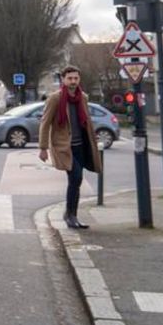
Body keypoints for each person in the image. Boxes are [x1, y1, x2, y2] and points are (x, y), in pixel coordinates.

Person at [39, 66, 103, 229]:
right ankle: (70, 215)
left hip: (81, 145)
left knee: (77, 179)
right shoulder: (55, 98)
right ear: (63, 79)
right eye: (70, 78)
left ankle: (71, 214)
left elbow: (86, 120)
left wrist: (92, 137)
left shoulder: (83, 98)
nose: (73, 81)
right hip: (63, 146)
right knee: (75, 177)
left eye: (76, 78)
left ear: (79, 79)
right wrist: (43, 147)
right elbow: (45, 123)